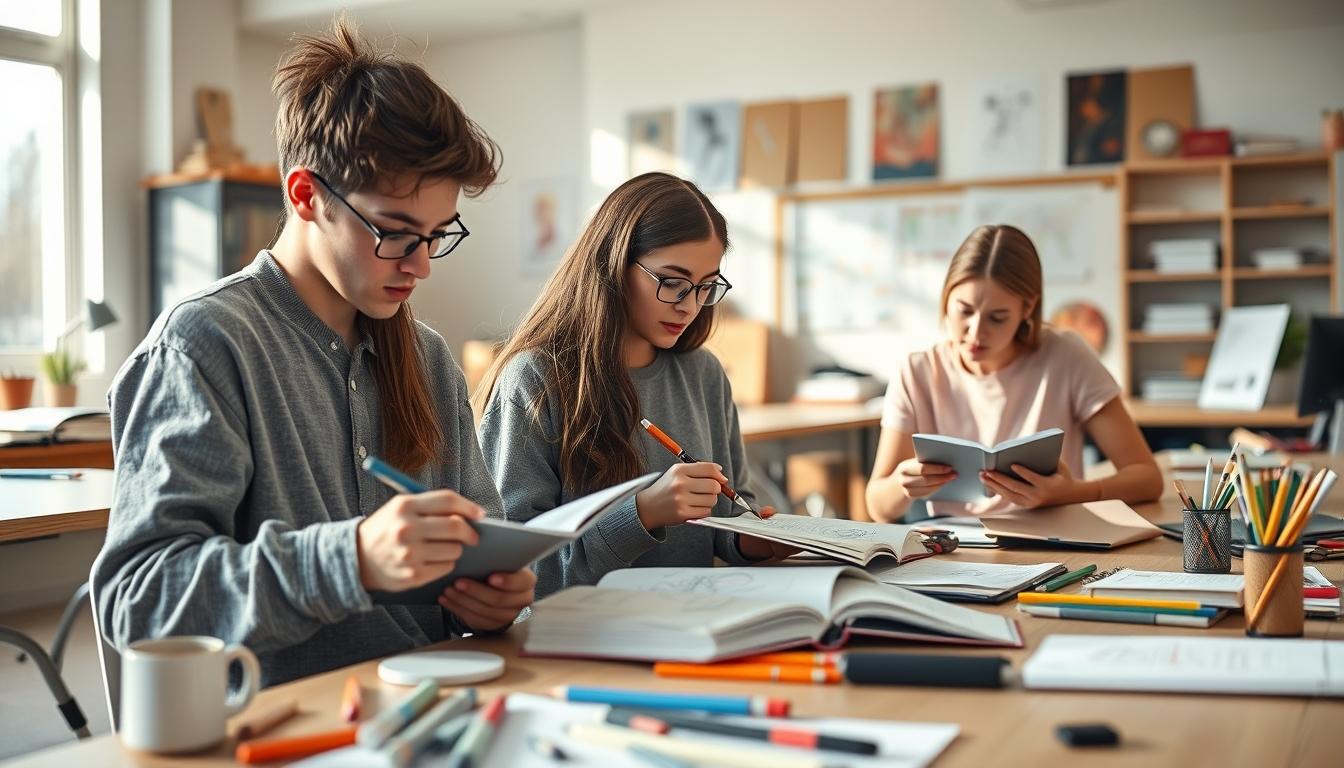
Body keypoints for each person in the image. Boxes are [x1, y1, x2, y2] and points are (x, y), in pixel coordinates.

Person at [91, 18, 534, 687]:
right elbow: (139, 600)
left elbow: (484, 544)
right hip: (280, 728)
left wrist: (498, 597)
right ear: (306, 196)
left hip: (433, 704)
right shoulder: (204, 347)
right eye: (395, 232)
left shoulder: (429, 358)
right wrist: (348, 560)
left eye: (438, 235)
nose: (422, 266)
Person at [475, 172, 794, 599]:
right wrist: (642, 514)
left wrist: (748, 542)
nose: (689, 306)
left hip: (691, 625)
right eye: (672, 283)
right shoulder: (535, 379)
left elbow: (729, 514)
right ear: (614, 264)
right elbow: (516, 574)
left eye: (705, 287)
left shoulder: (704, 374)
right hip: (579, 642)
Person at [865, 224, 1162, 522]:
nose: (976, 332)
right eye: (964, 311)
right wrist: (900, 485)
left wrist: (1072, 493)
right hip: (956, 546)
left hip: (1053, 541)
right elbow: (877, 507)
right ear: (946, 298)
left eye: (998, 317)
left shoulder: (1066, 355)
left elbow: (1147, 478)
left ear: (1027, 308)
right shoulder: (917, 372)